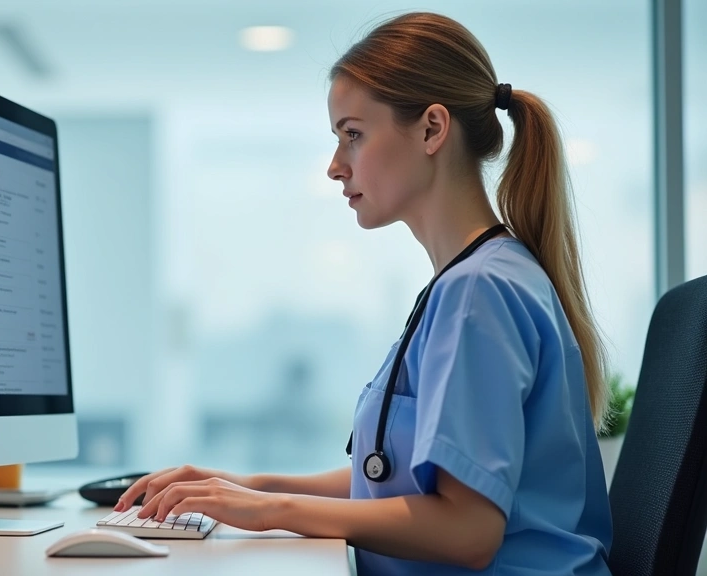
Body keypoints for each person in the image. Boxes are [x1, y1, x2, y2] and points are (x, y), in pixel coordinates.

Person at [115, 12, 612, 575]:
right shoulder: (473, 280)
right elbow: (391, 478)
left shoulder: (480, 292)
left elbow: (468, 530)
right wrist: (244, 486)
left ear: (431, 129)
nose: (334, 166)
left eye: (353, 134)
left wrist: (270, 509)